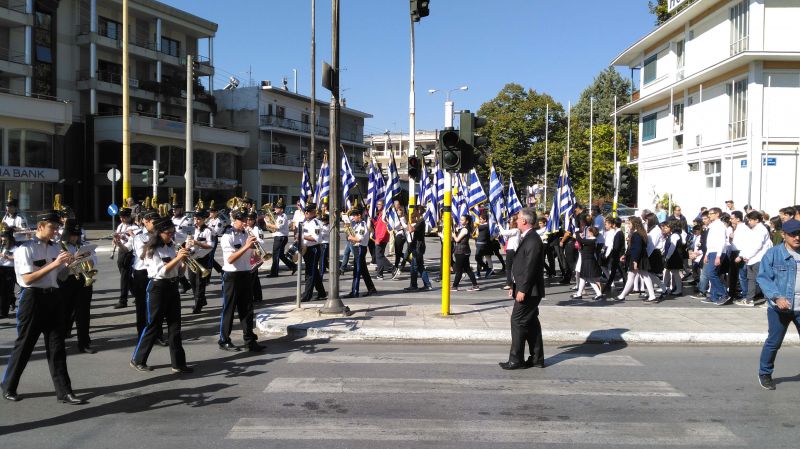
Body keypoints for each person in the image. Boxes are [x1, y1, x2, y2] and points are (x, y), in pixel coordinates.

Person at [2, 211, 84, 404]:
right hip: (32, 299)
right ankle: (9, 386)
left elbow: (60, 277)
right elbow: (27, 278)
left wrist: (74, 265)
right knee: (25, 345)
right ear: (40, 226)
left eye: (57, 227)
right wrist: (54, 263)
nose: (56, 231)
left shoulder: (56, 248)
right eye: (52, 227)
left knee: (57, 346)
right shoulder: (25, 249)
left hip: (53, 297)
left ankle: (64, 391)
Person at [130, 217, 193, 374]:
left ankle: (178, 363)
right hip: (157, 288)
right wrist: (178, 258)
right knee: (153, 325)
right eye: (169, 233)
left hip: (172, 287)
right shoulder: (152, 250)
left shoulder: (171, 248)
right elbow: (161, 271)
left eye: (173, 232)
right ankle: (137, 359)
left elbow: (178, 272)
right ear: (159, 233)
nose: (172, 235)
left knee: (175, 326)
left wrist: (183, 262)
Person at [756, 218, 800, 390]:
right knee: (774, 342)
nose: (797, 237)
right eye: (793, 234)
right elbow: (763, 278)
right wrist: (777, 297)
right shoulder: (773, 254)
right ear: (784, 235)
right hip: (779, 308)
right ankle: (765, 373)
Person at [499, 208, 545, 370]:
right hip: (525, 288)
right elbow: (522, 266)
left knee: (517, 321)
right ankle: (537, 358)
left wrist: (522, 290)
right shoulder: (528, 237)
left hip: (529, 291)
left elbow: (530, 268)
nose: (516, 221)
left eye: (518, 219)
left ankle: (516, 359)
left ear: (524, 221)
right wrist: (514, 285)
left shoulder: (532, 240)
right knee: (531, 323)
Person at [117, 208, 166, 345]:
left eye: (157, 221)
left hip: (157, 272)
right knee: (142, 306)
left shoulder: (161, 235)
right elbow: (140, 254)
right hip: (142, 273)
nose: (155, 224)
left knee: (157, 306)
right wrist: (119, 243)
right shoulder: (139, 236)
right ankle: (142, 335)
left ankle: (158, 334)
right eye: (152, 221)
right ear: (145, 222)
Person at [218, 211, 265, 352]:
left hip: (246, 273)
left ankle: (249, 340)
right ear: (234, 220)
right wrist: (246, 246)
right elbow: (230, 259)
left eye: (247, 220)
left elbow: (253, 258)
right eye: (242, 220)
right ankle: (224, 340)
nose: (246, 223)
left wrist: (257, 254)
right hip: (231, 276)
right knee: (229, 309)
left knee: (247, 309)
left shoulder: (247, 234)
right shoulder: (227, 235)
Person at [58, 220, 97, 354]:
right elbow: (60, 270)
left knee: (83, 313)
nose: (75, 237)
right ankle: (59, 340)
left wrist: (86, 258)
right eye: (72, 235)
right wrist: (75, 260)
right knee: (64, 312)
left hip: (83, 280)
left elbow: (93, 262)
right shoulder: (60, 247)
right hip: (66, 282)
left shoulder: (84, 245)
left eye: (77, 235)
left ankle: (84, 342)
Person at [736, 211, 772, 306]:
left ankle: (769, 301)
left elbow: (757, 246)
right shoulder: (754, 230)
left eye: (750, 220)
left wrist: (746, 256)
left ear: (756, 220)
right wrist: (744, 255)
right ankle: (749, 300)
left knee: (762, 280)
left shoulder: (761, 230)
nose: (749, 222)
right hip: (752, 259)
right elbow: (748, 245)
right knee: (751, 280)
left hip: (759, 259)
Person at [344, 207, 377, 298]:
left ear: (359, 215)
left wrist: (350, 238)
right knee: (363, 270)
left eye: (354, 216)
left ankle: (355, 291)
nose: (353, 218)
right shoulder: (356, 225)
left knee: (357, 271)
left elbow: (359, 239)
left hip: (360, 249)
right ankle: (371, 288)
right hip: (357, 249)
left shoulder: (362, 225)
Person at [616, 217, 649, 301]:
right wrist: (626, 255)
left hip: (637, 258)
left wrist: (635, 261)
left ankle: (622, 296)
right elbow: (632, 248)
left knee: (632, 276)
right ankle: (652, 295)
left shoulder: (637, 234)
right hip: (639, 258)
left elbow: (636, 249)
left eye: (629, 224)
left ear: (634, 224)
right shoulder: (639, 233)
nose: (628, 225)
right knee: (645, 276)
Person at [187, 210, 214, 314]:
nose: (196, 221)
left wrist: (198, 243)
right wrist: (187, 247)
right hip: (192, 258)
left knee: (200, 283)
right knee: (192, 281)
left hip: (202, 259)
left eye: (198, 219)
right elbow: (187, 241)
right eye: (195, 218)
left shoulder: (208, 231)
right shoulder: (192, 229)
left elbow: (210, 246)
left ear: (204, 220)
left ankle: (198, 305)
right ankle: (201, 301)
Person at [113, 208, 139, 309]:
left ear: (129, 217)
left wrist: (123, 238)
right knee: (126, 276)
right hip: (121, 251)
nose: (122, 219)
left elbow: (133, 241)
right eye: (121, 217)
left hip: (129, 252)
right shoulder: (120, 225)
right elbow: (119, 236)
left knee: (124, 276)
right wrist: (115, 239)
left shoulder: (134, 227)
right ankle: (137, 294)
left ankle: (123, 300)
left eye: (124, 217)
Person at [300, 203, 327, 301]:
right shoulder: (306, 222)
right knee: (313, 271)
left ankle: (307, 295)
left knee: (309, 273)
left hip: (314, 249)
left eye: (308, 212)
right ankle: (322, 292)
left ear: (313, 212)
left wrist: (302, 237)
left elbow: (316, 238)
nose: (306, 213)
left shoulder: (316, 223)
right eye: (305, 212)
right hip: (306, 249)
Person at [703, 207, 730, 305]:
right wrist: (706, 254)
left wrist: (718, 256)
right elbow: (710, 242)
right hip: (711, 251)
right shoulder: (712, 225)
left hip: (717, 252)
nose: (709, 215)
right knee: (714, 273)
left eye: (711, 213)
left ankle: (723, 294)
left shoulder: (719, 225)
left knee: (711, 273)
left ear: (717, 214)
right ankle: (714, 296)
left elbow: (721, 241)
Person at [265, 197, 297, 277]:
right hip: (279, 237)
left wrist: (268, 224)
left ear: (282, 209)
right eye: (275, 207)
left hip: (280, 238)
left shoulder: (283, 216)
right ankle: (293, 266)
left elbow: (278, 227)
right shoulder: (278, 216)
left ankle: (274, 273)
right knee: (281, 255)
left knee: (276, 255)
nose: (275, 209)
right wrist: (268, 220)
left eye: (277, 208)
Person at [405, 205, 433, 292]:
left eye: (414, 211)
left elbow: (411, 230)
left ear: (418, 211)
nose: (413, 212)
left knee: (414, 267)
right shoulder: (419, 221)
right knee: (420, 266)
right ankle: (427, 285)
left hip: (418, 247)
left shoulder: (421, 221)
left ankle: (414, 285)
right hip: (416, 246)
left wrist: (407, 221)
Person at [573, 226, 604, 300]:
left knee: (587, 278)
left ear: (591, 232)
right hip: (586, 260)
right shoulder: (590, 240)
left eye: (588, 231)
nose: (587, 233)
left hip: (588, 261)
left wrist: (577, 232)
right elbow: (582, 240)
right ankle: (579, 293)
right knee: (584, 278)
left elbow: (580, 240)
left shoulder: (592, 240)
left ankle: (597, 294)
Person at [452, 214, 480, 291]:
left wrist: (454, 235)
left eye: (462, 220)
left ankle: (455, 286)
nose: (460, 221)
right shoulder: (464, 228)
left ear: (467, 221)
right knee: (467, 269)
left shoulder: (465, 229)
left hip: (461, 251)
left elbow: (457, 240)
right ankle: (475, 285)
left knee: (459, 270)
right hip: (464, 251)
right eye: (460, 220)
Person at [372, 200, 394, 279]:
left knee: (380, 256)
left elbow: (385, 228)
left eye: (379, 204)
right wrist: (372, 220)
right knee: (379, 256)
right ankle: (380, 274)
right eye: (377, 204)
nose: (378, 205)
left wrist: (379, 239)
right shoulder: (380, 215)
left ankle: (392, 268)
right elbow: (377, 225)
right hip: (379, 238)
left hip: (381, 239)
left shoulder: (384, 215)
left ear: (383, 205)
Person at [0, 224, 18, 317]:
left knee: (7, 291)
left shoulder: (15, 248)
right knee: (2, 291)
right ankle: (3, 309)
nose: (3, 241)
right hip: (1, 269)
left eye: (4, 240)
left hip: (9, 270)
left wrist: (6, 257)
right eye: (2, 240)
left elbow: (17, 257)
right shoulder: (2, 247)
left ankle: (4, 311)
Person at [501, 215, 521, 290]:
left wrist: (499, 225)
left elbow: (503, 233)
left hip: (512, 250)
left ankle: (509, 283)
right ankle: (512, 282)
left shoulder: (516, 230)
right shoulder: (514, 230)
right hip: (510, 249)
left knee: (509, 267)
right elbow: (505, 236)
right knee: (511, 267)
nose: (509, 222)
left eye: (511, 220)